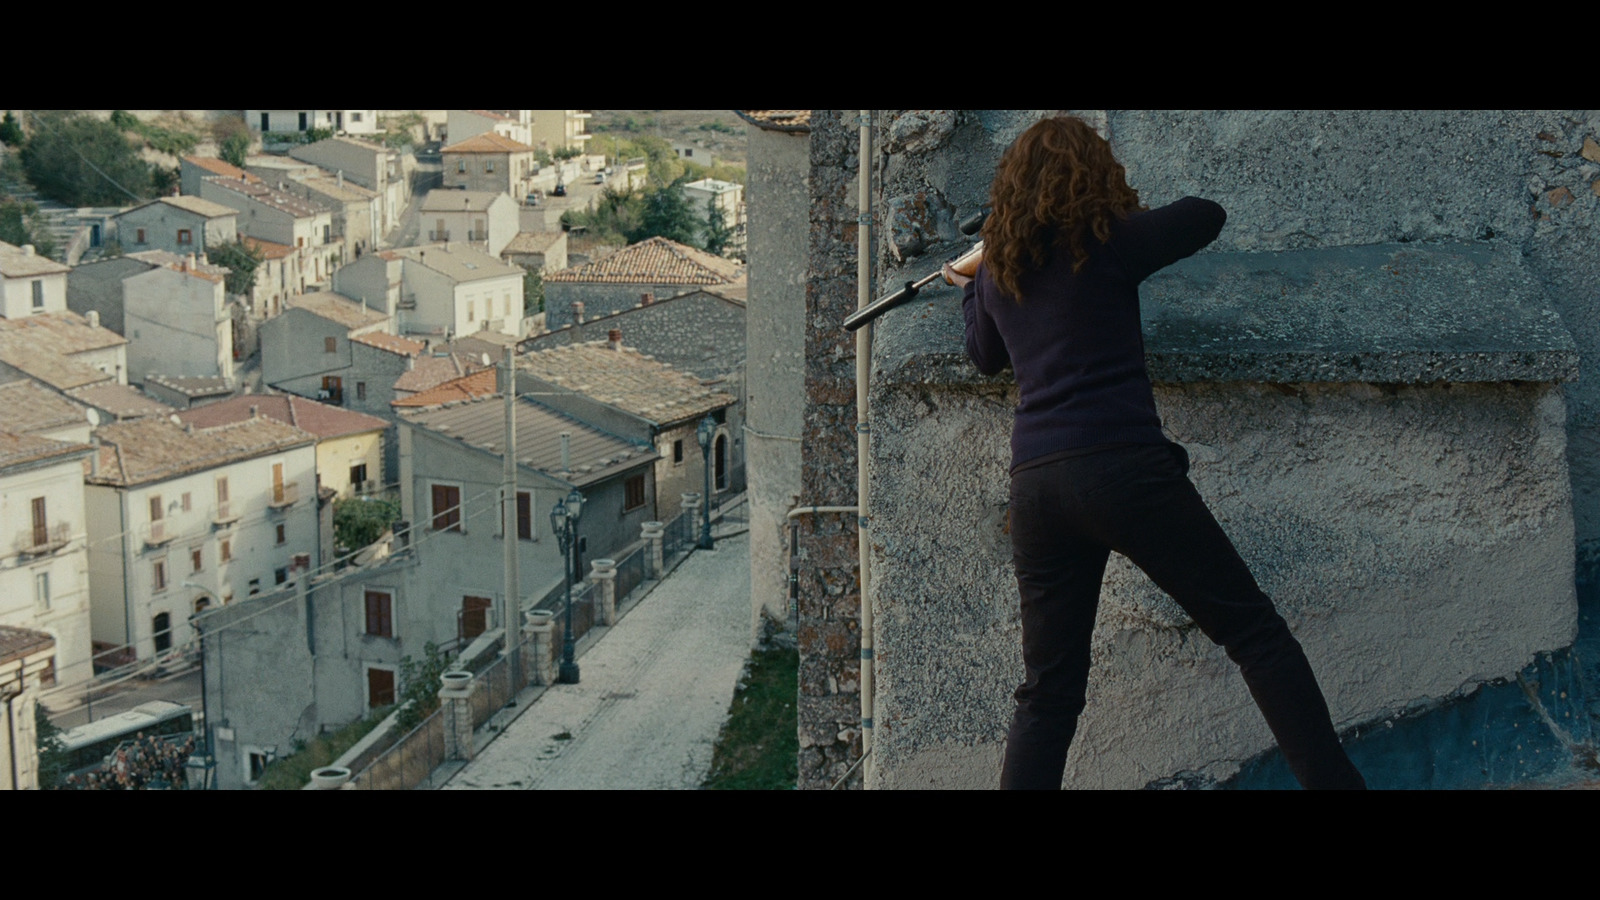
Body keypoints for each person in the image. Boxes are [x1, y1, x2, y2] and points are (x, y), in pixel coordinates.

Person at [945, 116, 1366, 790]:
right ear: (1092, 178)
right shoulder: (1107, 242)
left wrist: (974, 279)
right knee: (1255, 636)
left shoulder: (1002, 272)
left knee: (1047, 694)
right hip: (1121, 466)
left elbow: (984, 355)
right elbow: (1206, 214)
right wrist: (1107, 216)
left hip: (1037, 487)